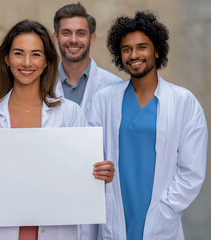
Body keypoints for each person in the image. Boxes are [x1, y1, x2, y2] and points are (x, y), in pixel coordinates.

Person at [0, 19, 115, 240]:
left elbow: (82, 180)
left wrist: (101, 173)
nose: (26, 62)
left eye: (35, 54)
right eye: (18, 53)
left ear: (46, 61)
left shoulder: (70, 114)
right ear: (6, 58)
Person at [88, 11, 208, 240]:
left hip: (160, 222)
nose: (134, 55)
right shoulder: (104, 100)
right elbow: (89, 159)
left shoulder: (183, 102)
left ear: (157, 50)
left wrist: (166, 210)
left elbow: (191, 172)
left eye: (142, 47)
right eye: (126, 49)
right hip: (115, 218)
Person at [53, 2, 122, 122]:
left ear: (92, 38)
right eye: (66, 33)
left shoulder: (114, 85)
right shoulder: (42, 84)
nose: (73, 40)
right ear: (56, 38)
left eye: (81, 33)